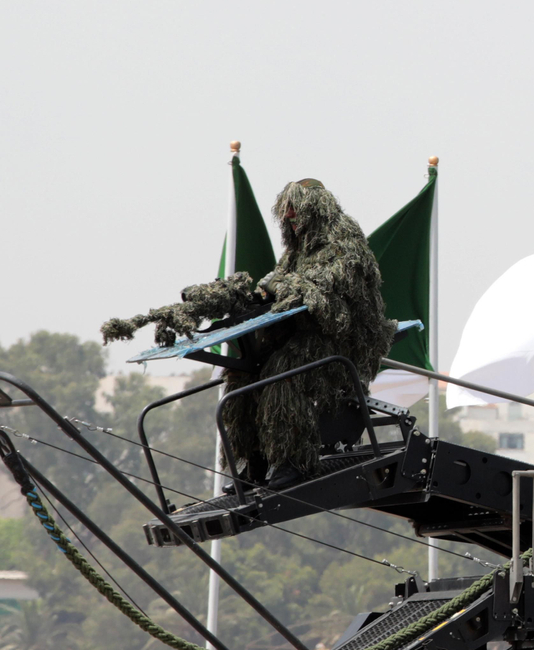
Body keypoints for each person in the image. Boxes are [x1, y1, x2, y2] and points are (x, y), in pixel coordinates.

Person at [102, 179, 393, 489]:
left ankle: (293, 462)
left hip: (339, 343)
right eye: (286, 211)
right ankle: (255, 463)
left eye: (296, 209)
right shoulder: (297, 251)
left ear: (316, 209)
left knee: (283, 375)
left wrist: (276, 287)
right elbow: (277, 283)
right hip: (302, 337)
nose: (290, 216)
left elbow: (325, 302)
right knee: (242, 377)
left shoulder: (344, 244)